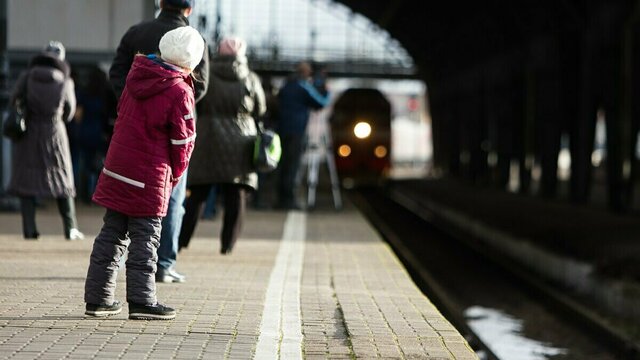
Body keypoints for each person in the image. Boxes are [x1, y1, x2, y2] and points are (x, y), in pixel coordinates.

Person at [84, 26, 203, 320]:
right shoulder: (180, 90)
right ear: (192, 61)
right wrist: (174, 175)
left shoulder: (134, 77)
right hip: (149, 174)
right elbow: (183, 142)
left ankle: (98, 299)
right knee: (146, 239)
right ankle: (142, 300)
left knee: (111, 234)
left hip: (118, 168)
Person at [109, 0, 209, 284]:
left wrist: (132, 100)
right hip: (173, 133)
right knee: (173, 200)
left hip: (132, 128)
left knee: (122, 199)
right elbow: (202, 85)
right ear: (188, 9)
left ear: (161, 4)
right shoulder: (195, 41)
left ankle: (114, 266)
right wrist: (176, 103)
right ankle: (163, 264)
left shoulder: (135, 33)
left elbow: (116, 73)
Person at [177, 36, 266, 255]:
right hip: (241, 140)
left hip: (208, 137)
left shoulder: (206, 74)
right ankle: (227, 245)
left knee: (198, 193)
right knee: (236, 195)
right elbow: (261, 109)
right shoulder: (251, 79)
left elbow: (196, 99)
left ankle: (180, 242)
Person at [7, 41, 84, 241]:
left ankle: (30, 230)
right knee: (63, 179)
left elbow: (13, 100)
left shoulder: (27, 76)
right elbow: (69, 112)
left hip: (30, 131)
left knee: (27, 180)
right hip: (54, 132)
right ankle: (70, 228)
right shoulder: (66, 82)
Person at [275, 61, 330, 210]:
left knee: (283, 165)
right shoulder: (303, 86)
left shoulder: (286, 85)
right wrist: (326, 89)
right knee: (293, 167)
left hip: (282, 129)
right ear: (306, 73)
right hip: (296, 131)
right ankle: (289, 201)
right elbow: (321, 103)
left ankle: (281, 199)